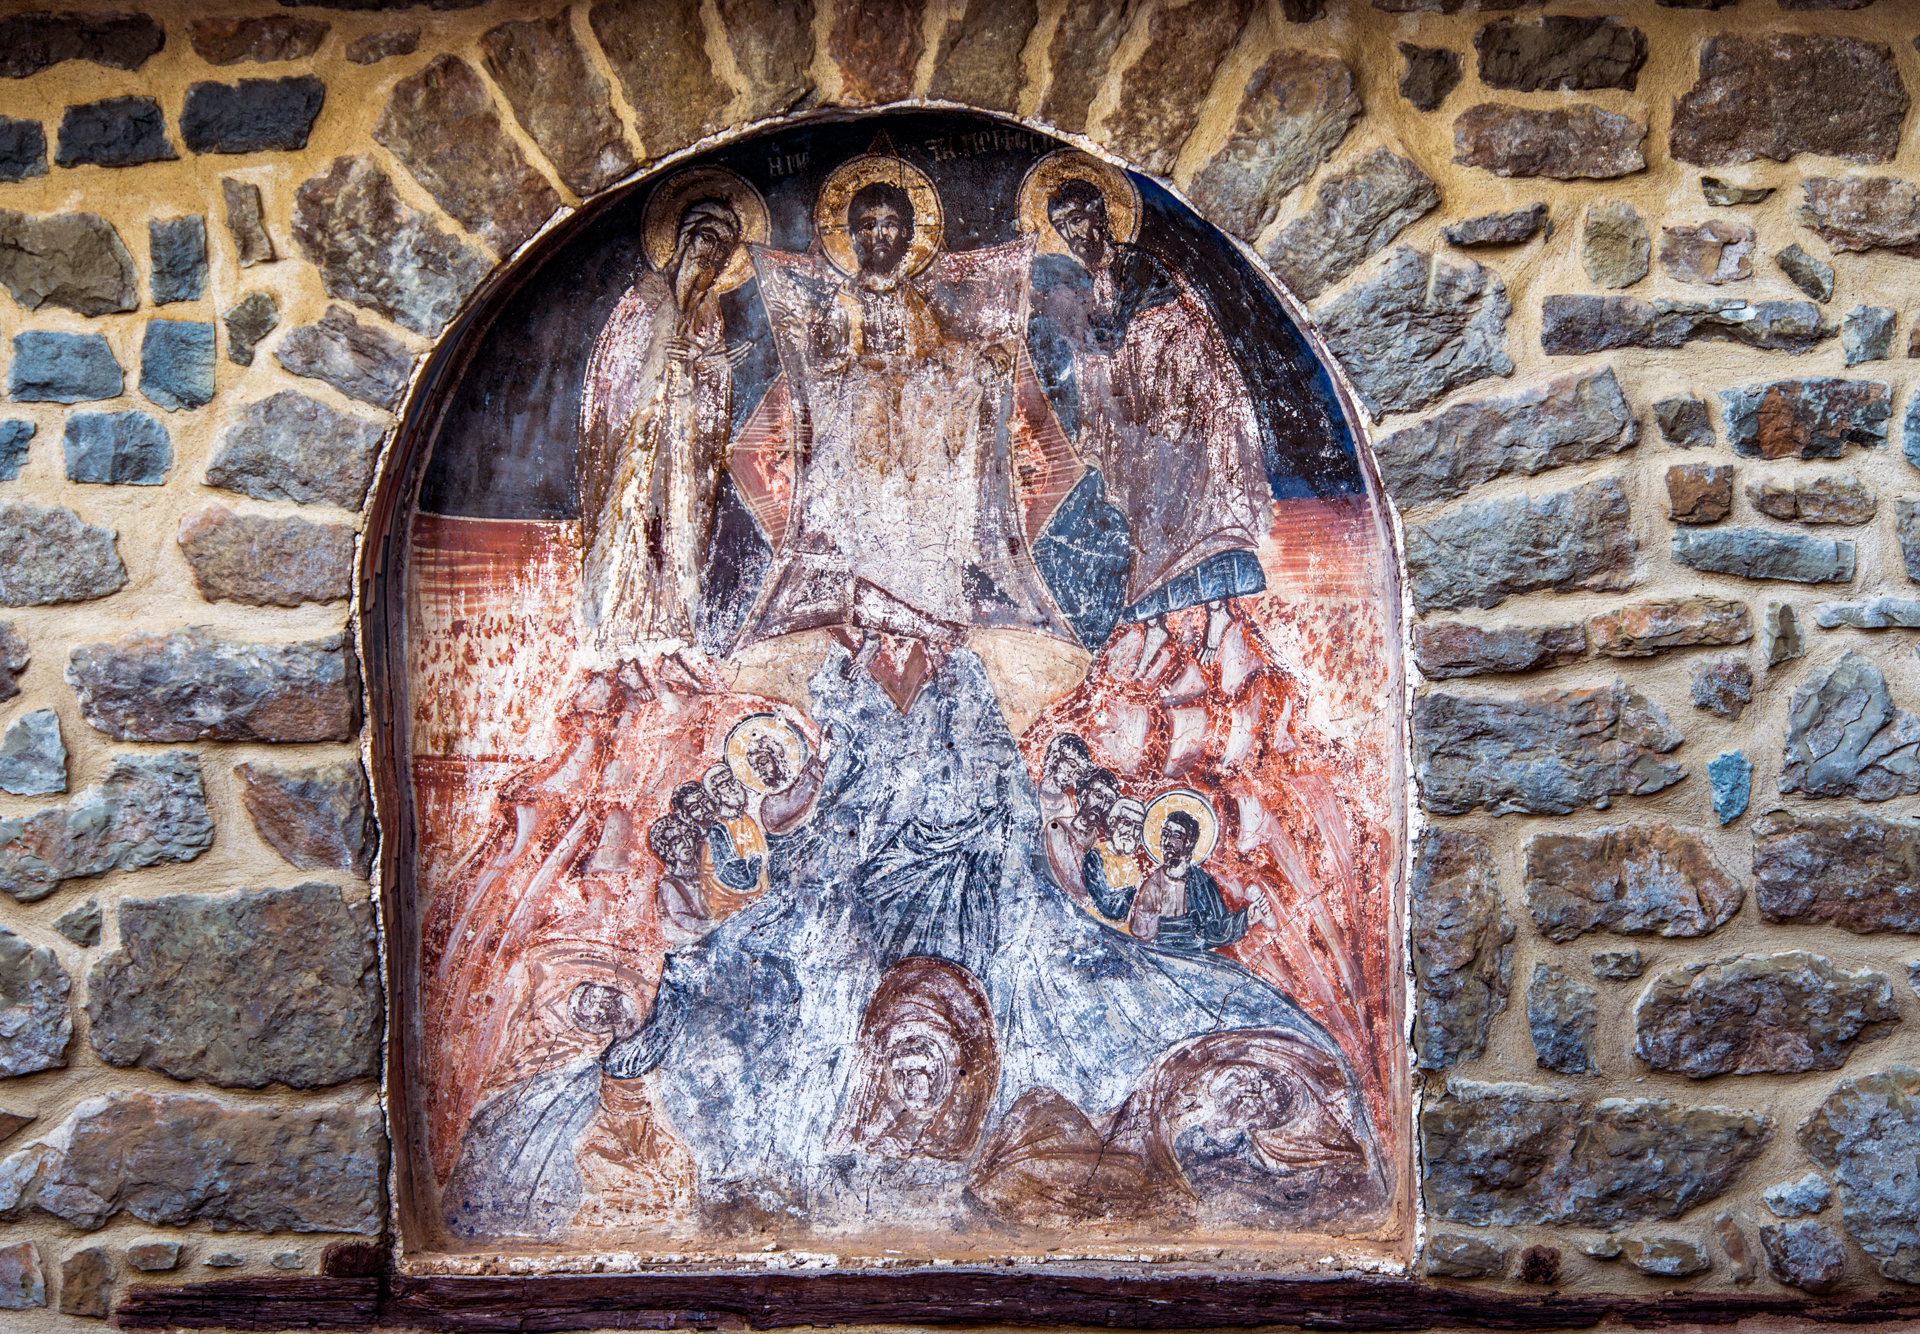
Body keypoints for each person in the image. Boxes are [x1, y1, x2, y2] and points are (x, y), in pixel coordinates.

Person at [740, 156, 1072, 649]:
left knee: (929, 507)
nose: (879, 235)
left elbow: (938, 355)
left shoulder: (914, 302)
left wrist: (979, 360)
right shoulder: (844, 301)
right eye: (867, 225)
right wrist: (834, 353)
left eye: (891, 224)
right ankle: (882, 610)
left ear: (909, 236)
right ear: (853, 237)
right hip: (865, 429)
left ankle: (927, 609)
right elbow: (823, 368)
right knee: (878, 514)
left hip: (917, 429)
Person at [1028, 174, 1270, 670]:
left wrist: (1115, 352)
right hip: (1135, 429)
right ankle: (1154, 623)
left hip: (1181, 415)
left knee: (1196, 513)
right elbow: (1097, 354)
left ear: (1102, 215)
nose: (1074, 233)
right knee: (1140, 520)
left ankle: (1219, 612)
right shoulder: (1085, 285)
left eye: (1079, 218)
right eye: (1063, 225)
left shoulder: (1140, 266)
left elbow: (1167, 337)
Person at [578, 192, 749, 655]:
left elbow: (714, 390)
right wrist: (660, 359)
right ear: (685, 238)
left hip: (681, 445)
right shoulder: (645, 296)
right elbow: (611, 370)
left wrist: (705, 363)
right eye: (707, 241)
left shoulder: (708, 311)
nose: (711, 256)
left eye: (722, 251)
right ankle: (615, 633)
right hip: (638, 441)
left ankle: (670, 633)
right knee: (632, 523)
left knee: (676, 529)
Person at [1129, 810, 1270, 952]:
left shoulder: (1203, 883)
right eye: (1165, 834)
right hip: (1162, 955)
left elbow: (1217, 929)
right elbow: (1141, 933)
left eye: (1176, 836)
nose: (1168, 842)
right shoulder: (1153, 884)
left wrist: (1246, 918)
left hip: (1196, 957)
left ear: (1189, 843)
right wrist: (1148, 916)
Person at [1043, 767, 1118, 908]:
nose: (1102, 805)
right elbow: (1074, 883)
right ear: (1083, 795)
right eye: (1098, 796)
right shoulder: (1058, 828)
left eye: (1109, 801)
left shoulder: (1100, 844)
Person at [702, 762, 768, 902]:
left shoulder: (746, 818)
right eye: (724, 785)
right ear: (717, 795)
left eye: (732, 781)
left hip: (763, 894)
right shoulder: (719, 830)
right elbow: (739, 878)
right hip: (741, 903)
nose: (733, 788)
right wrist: (756, 863)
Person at [648, 814, 711, 946]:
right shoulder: (669, 885)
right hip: (689, 947)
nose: (687, 844)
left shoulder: (700, 876)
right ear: (667, 850)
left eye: (688, 836)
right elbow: (683, 920)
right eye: (677, 841)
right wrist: (717, 923)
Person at [1083, 795, 1145, 928]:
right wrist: (1135, 892)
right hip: (1095, 926)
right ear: (1112, 822)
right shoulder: (1095, 856)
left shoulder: (1134, 867)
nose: (1131, 832)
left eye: (1138, 827)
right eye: (1127, 823)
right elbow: (1108, 905)